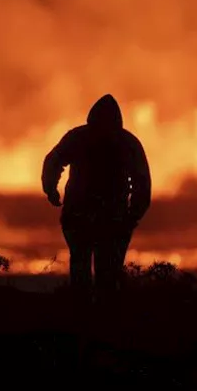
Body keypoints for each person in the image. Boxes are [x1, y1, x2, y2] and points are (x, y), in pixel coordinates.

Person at [41, 94, 151, 301]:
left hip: (85, 215)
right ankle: (100, 319)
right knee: (106, 275)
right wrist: (133, 215)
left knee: (82, 268)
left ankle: (82, 316)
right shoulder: (127, 142)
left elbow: (53, 161)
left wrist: (51, 189)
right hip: (108, 217)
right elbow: (142, 183)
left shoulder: (79, 137)